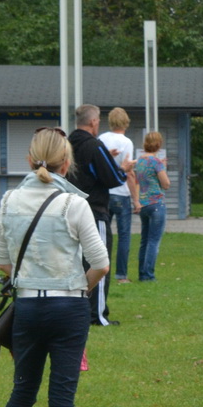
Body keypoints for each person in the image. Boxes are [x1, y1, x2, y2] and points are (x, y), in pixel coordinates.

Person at [0, 127, 108, 407]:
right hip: (68, 305)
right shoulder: (74, 204)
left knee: (22, 392)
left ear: (29, 159)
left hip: (28, 306)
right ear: (67, 163)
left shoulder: (9, 200)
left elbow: (3, 263)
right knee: (61, 398)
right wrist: (77, 290)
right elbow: (101, 263)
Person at [68, 104, 128, 326]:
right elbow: (113, 177)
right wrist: (124, 169)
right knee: (99, 261)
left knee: (75, 262)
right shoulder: (94, 145)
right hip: (94, 211)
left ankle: (75, 307)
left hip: (68, 210)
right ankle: (97, 315)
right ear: (93, 122)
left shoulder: (67, 144)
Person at [97, 108, 139, 284]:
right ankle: (121, 275)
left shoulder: (101, 139)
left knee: (101, 236)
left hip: (104, 191)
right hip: (121, 193)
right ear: (126, 122)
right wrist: (136, 199)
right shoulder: (126, 142)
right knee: (124, 235)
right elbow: (128, 171)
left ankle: (99, 271)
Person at [132, 131, 171, 282]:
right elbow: (166, 184)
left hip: (144, 204)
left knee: (144, 241)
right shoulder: (156, 162)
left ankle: (142, 273)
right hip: (156, 204)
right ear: (159, 144)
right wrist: (163, 168)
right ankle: (148, 275)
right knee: (154, 241)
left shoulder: (140, 161)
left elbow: (138, 181)